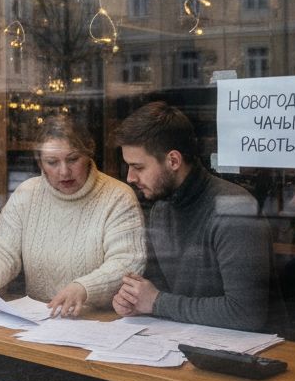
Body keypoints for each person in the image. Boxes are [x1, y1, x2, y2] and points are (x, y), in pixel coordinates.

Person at [111, 101, 281, 332]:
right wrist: (134, 300)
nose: (130, 177)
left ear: (173, 161)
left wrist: (156, 302)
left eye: (138, 167)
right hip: (186, 339)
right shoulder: (162, 206)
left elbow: (245, 314)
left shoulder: (234, 211)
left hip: (247, 349)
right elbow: (157, 287)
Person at [0, 115, 145, 318]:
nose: (64, 171)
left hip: (98, 320)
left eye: (73, 159)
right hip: (35, 319)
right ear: (40, 163)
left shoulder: (117, 197)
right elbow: (0, 247)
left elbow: (127, 262)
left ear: (89, 154)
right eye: (52, 162)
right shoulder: (27, 193)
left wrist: (84, 288)